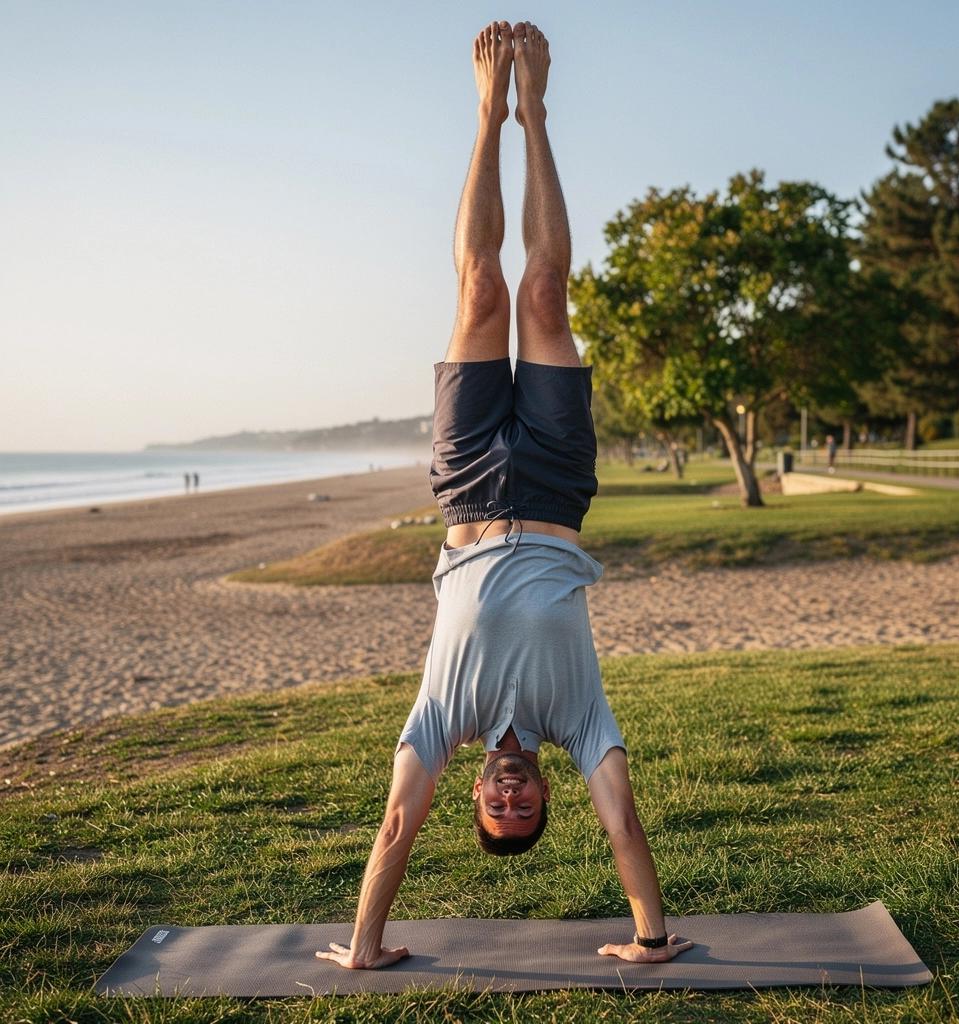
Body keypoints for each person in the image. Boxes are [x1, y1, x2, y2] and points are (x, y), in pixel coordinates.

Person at [315, 21, 692, 973]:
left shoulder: (441, 723)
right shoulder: (582, 725)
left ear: (478, 792)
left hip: (468, 486)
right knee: (546, 292)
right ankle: (536, 116)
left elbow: (400, 819)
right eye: (526, 809)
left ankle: (487, 117)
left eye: (498, 808)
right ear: (547, 798)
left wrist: (365, 945)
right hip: (559, 486)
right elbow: (627, 828)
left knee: (482, 289)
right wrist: (650, 937)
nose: (513, 796)